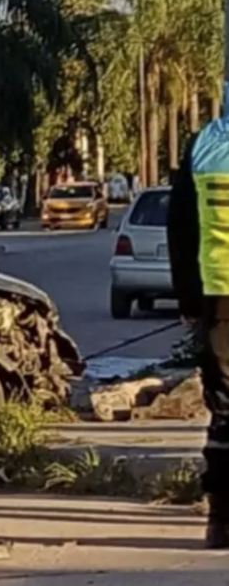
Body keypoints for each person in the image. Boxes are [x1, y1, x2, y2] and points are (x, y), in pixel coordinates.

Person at [167, 120, 229, 548]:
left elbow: (181, 227)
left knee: (225, 414)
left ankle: (221, 520)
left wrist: (189, 301)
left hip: (221, 298)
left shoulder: (207, 143)